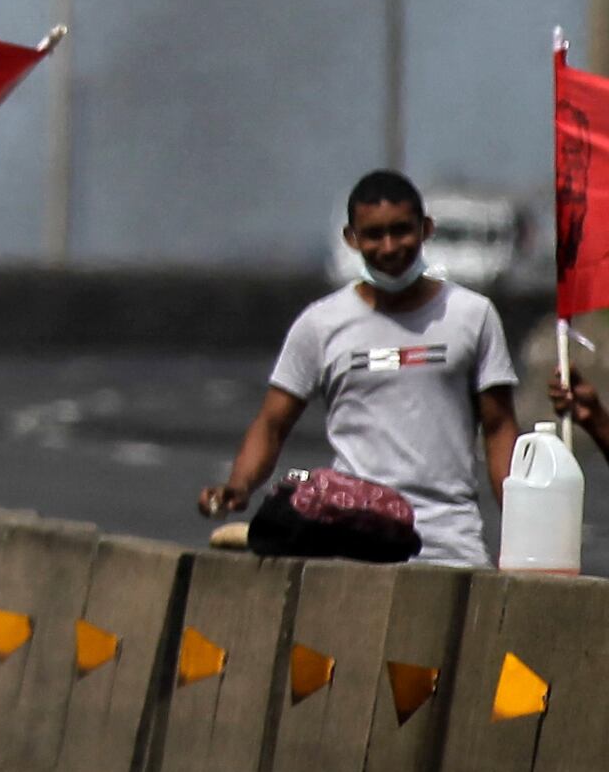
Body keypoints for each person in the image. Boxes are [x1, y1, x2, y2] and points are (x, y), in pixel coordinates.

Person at [201, 172, 518, 568]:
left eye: (401, 231)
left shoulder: (473, 315)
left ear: (426, 229)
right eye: (374, 235)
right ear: (351, 238)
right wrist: (239, 486)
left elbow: (500, 427)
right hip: (352, 539)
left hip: (451, 543)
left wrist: (526, 527)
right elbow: (272, 423)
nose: (389, 247)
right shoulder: (320, 324)